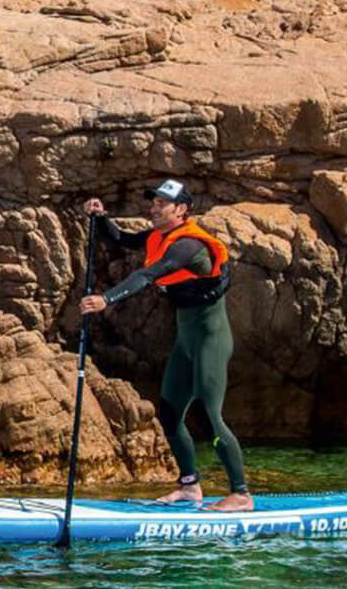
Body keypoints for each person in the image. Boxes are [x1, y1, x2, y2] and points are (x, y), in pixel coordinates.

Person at [80, 179, 253, 512]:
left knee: (207, 414)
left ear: (182, 209)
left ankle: (241, 494)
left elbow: (148, 275)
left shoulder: (187, 245)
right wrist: (100, 219)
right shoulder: (158, 237)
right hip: (186, 341)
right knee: (170, 414)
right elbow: (122, 239)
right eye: (154, 201)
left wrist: (107, 298)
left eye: (163, 203)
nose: (154, 207)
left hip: (210, 341)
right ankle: (190, 487)